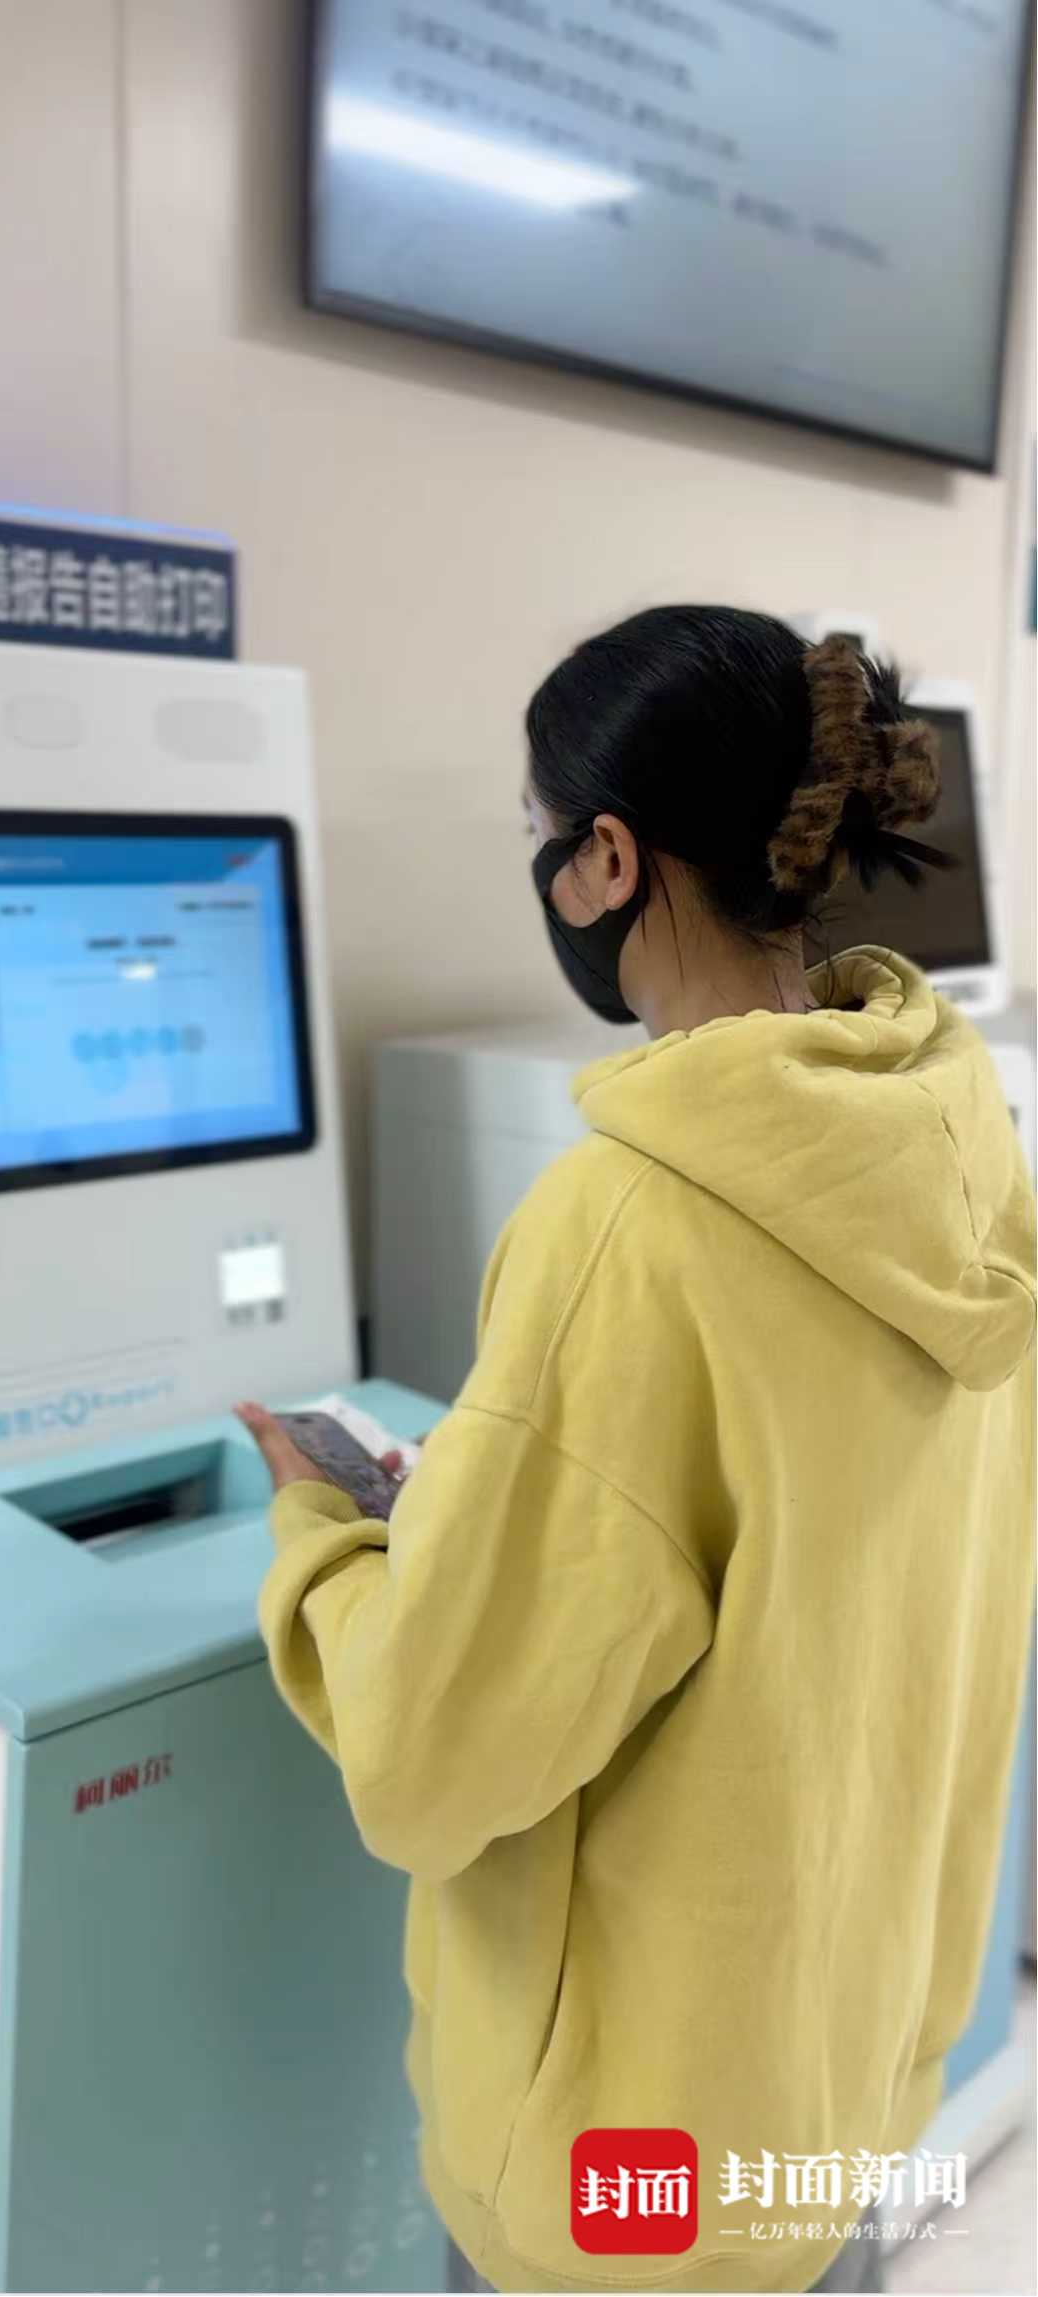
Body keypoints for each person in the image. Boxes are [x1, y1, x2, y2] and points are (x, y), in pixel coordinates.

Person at [236, 606, 1036, 2296]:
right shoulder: (958, 1138)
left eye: (543, 833)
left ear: (608, 859)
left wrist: (329, 1540)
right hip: (833, 2090)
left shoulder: (630, 1222)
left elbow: (430, 1759)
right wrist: (507, 1507)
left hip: (634, 2180)